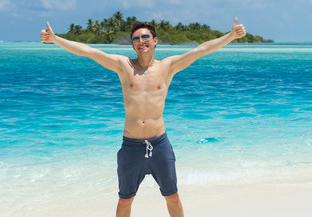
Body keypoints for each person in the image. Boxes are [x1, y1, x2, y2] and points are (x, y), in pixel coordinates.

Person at [40, 17, 246, 217]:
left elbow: (200, 50)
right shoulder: (124, 66)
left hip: (159, 145)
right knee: (125, 199)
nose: (141, 42)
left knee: (172, 196)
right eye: (136, 39)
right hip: (131, 146)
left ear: (155, 41)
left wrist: (230, 36)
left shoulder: (167, 66)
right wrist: (56, 39)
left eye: (145, 37)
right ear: (133, 45)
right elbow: (89, 51)